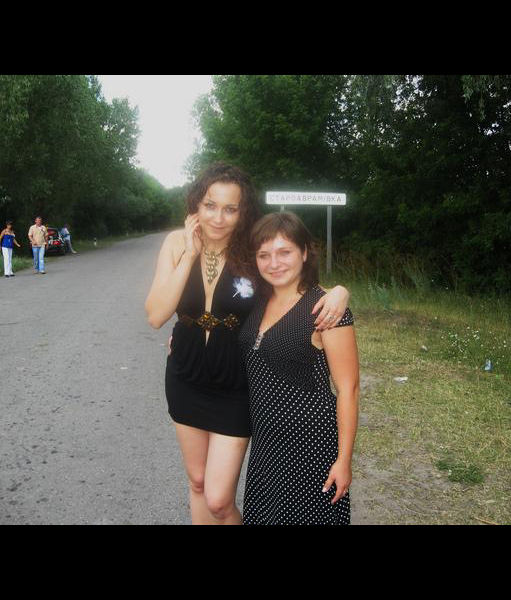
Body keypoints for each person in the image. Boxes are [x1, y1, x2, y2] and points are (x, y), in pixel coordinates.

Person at [145, 162, 351, 525]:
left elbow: (292, 280)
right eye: (210, 205)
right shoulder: (176, 243)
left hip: (235, 383)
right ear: (196, 204)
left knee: (219, 499)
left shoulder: (250, 250)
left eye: (230, 208)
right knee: (197, 482)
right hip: (185, 376)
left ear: (243, 212)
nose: (218, 218)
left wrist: (340, 291)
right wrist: (190, 254)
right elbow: (156, 315)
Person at [239, 211, 360, 525]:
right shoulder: (256, 300)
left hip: (311, 445)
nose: (274, 263)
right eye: (264, 255)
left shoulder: (326, 308)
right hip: (266, 444)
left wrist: (344, 460)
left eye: (285, 252)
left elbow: (348, 389)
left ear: (305, 252)